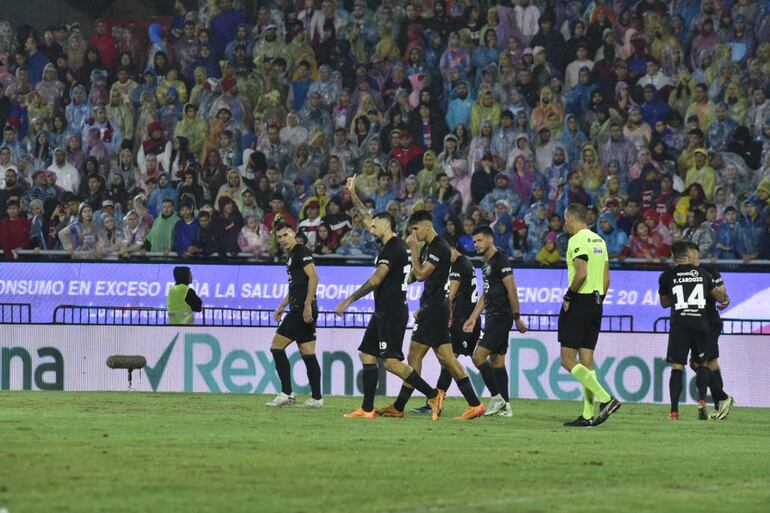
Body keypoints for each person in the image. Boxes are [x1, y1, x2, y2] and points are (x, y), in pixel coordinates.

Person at [334, 174, 441, 420]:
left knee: (391, 363)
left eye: (374, 226)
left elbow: (376, 279)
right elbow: (365, 217)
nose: (369, 228)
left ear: (385, 226)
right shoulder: (393, 243)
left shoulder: (392, 248)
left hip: (391, 312)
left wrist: (347, 301)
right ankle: (368, 409)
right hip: (383, 311)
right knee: (367, 354)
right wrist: (352, 193)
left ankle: (433, 394)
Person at [376, 211, 485, 420]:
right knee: (414, 356)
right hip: (430, 307)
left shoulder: (439, 248)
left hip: (435, 310)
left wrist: (413, 248)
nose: (413, 235)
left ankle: (474, 404)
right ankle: (399, 406)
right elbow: (417, 276)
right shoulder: (431, 247)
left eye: (415, 230)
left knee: (447, 359)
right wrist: (399, 280)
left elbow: (422, 273)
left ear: (427, 226)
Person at [559, 203, 620, 427]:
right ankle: (588, 415)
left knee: (566, 359)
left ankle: (606, 399)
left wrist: (568, 297)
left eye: (566, 219)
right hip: (597, 302)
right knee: (586, 360)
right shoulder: (599, 241)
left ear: (571, 218)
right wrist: (598, 301)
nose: (565, 223)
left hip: (579, 301)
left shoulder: (577, 240)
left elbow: (581, 273)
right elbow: (607, 279)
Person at [463, 226, 528, 417]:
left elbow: (512, 290)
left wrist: (517, 317)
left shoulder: (501, 260)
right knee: (497, 361)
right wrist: (474, 317)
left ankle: (496, 397)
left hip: (501, 316)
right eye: (474, 241)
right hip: (492, 315)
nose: (476, 244)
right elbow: (487, 292)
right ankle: (506, 407)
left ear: (490, 240)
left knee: (478, 357)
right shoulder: (486, 263)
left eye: (480, 240)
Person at [658, 241, 726, 420]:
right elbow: (719, 296)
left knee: (677, 365)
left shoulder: (667, 276)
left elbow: (664, 303)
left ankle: (674, 411)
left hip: (680, 324)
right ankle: (703, 401)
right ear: (688, 256)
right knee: (701, 363)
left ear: (673, 257)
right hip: (701, 323)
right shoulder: (703, 273)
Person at [265, 222, 323, 409]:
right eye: (279, 237)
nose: (282, 240)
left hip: (301, 309)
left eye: (285, 235)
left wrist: (307, 305)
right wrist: (282, 306)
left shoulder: (300, 251)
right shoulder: (293, 255)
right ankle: (316, 398)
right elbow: (296, 286)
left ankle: (287, 393)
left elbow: (314, 277)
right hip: (300, 307)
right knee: (308, 353)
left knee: (276, 347)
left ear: (294, 234)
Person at [685, 242, 735, 420]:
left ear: (697, 255)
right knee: (702, 363)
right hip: (693, 322)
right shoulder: (681, 274)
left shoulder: (710, 272)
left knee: (705, 361)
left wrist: (725, 298)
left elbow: (723, 294)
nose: (687, 257)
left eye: (689, 253)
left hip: (710, 322)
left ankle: (719, 402)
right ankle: (720, 402)